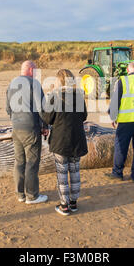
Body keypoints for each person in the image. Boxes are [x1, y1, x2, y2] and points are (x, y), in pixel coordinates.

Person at [40, 69, 88, 216]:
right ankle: (73, 203)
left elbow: (48, 118)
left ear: (58, 81)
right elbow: (84, 116)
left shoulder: (55, 96)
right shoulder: (79, 95)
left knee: (62, 173)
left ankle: (64, 205)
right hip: (77, 139)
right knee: (74, 171)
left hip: (61, 140)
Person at [6, 60, 49, 204]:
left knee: (19, 161)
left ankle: (20, 195)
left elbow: (8, 108)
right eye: (35, 70)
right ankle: (32, 196)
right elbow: (42, 107)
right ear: (30, 70)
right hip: (30, 128)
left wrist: (15, 120)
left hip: (16, 128)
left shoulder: (11, 83)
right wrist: (45, 126)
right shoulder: (34, 83)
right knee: (32, 162)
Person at [106, 61, 134, 183]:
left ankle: (117, 172)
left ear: (127, 70)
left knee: (121, 146)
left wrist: (112, 116)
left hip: (126, 120)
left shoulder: (123, 81)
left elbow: (116, 100)